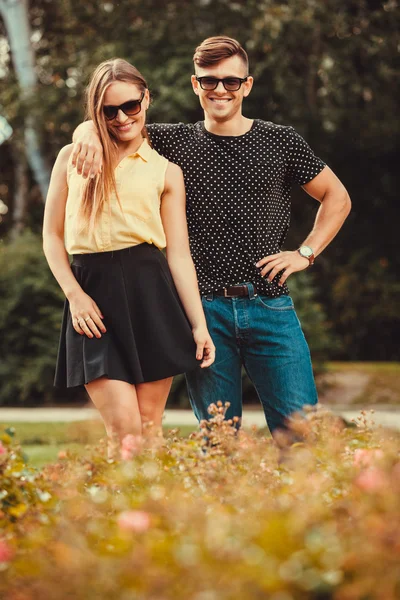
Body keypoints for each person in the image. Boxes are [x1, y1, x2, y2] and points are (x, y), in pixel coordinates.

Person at [71, 37, 351, 436]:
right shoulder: (169, 142)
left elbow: (337, 197)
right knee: (218, 444)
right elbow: (115, 121)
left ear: (247, 85)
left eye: (231, 81)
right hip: (202, 312)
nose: (220, 89)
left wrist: (305, 253)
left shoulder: (281, 141)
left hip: (270, 307)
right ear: (194, 84)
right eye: (209, 80)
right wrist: (84, 131)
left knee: (301, 436)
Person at [43, 58, 215, 455]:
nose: (122, 118)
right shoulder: (73, 158)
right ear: (96, 112)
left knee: (148, 431)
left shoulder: (167, 172)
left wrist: (199, 325)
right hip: (91, 299)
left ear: (146, 99)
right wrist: (73, 294)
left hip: (151, 294)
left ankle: (140, 514)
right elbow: (51, 236)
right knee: (125, 430)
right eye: (108, 111)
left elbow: (179, 256)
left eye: (131, 106)